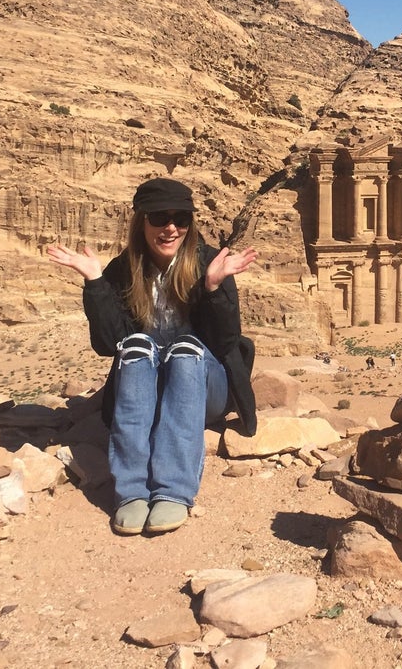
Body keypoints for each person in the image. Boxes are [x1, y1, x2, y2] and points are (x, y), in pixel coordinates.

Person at [46, 178, 258, 536]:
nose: (171, 228)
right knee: (135, 346)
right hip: (147, 390)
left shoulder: (209, 262)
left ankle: (173, 489)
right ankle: (131, 491)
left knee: (186, 350)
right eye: (160, 218)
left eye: (181, 218)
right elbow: (109, 344)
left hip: (202, 387)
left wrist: (212, 288)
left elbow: (225, 343)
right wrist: (96, 282)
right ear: (141, 221)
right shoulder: (123, 270)